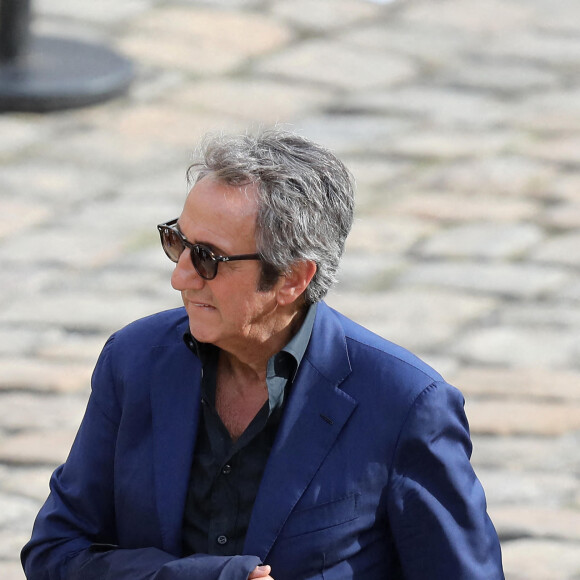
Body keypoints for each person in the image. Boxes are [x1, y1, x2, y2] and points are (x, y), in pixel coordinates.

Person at [22, 128, 504, 580]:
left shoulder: (405, 405)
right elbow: (55, 551)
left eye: (209, 258)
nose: (181, 277)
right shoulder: (134, 359)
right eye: (178, 242)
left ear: (293, 278)